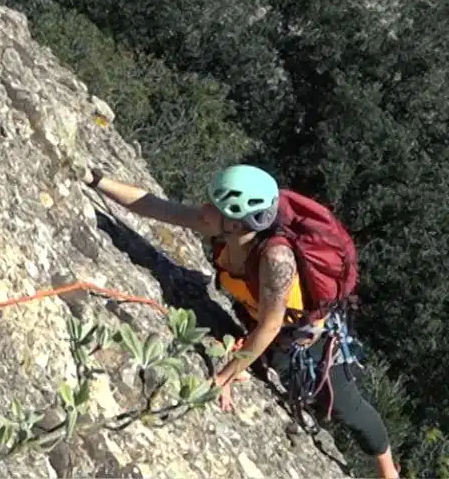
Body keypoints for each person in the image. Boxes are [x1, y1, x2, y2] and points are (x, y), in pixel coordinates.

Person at [80, 163, 399, 479]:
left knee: (348, 409)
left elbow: (271, 326)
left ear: (238, 223)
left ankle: (388, 470)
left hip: (304, 342)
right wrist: (97, 180)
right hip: (258, 322)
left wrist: (227, 375)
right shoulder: (226, 227)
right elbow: (157, 207)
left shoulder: (276, 258)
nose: (204, 209)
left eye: (216, 206)